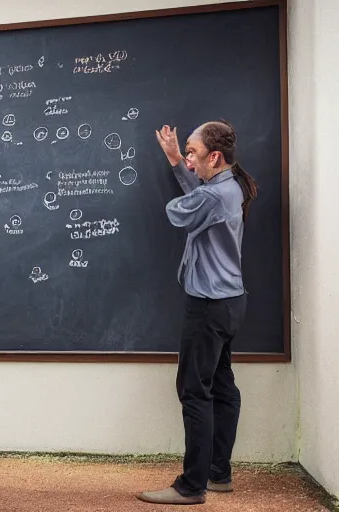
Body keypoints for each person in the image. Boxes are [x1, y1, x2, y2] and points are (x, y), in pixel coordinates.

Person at [137, 120, 258, 506]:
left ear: (215, 156)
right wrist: (177, 163)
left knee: (194, 392)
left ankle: (192, 486)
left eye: (192, 152)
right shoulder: (228, 187)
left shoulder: (212, 196)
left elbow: (181, 211)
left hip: (208, 306)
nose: (189, 159)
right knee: (221, 386)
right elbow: (202, 198)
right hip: (230, 302)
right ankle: (218, 473)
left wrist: (183, 184)